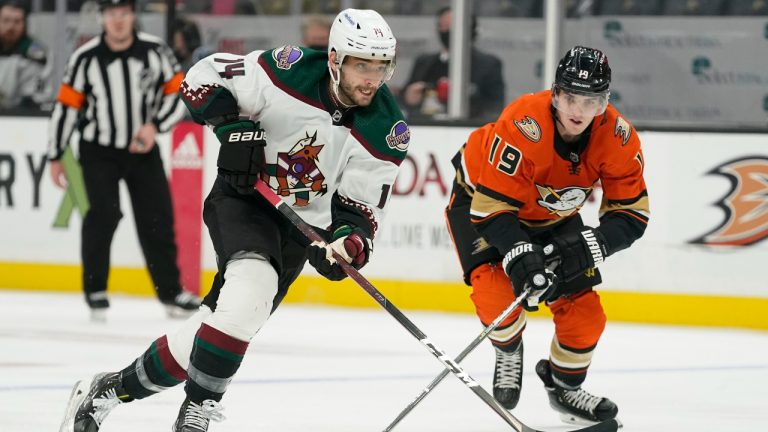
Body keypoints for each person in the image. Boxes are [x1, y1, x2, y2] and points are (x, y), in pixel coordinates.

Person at [59, 8, 408, 432]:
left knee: (211, 333)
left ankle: (108, 390)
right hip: (245, 200)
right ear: (335, 59)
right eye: (362, 65)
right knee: (252, 291)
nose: (372, 78)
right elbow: (201, 78)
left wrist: (347, 244)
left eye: (381, 67)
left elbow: (361, 207)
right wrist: (231, 125)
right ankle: (197, 412)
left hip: (300, 231)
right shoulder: (288, 71)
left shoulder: (387, 127)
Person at [445, 46, 649, 425]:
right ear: (556, 93)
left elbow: (631, 214)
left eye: (590, 102)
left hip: (552, 213)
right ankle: (508, 349)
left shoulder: (618, 138)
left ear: (604, 102)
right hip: (483, 200)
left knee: (586, 315)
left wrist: (593, 244)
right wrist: (520, 251)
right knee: (497, 295)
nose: (577, 110)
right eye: (570, 97)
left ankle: (564, 388)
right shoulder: (525, 122)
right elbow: (492, 211)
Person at [47, 0, 200, 322]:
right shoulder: (85, 58)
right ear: (102, 17)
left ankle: (171, 293)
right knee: (102, 215)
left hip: (142, 150)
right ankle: (95, 291)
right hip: (98, 150)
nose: (118, 20)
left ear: (132, 16)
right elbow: (66, 107)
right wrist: (56, 153)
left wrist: (155, 125)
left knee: (157, 219)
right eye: (111, 14)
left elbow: (178, 92)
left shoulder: (155, 51)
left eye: (124, 13)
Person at [400, 6, 504, 121]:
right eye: (443, 26)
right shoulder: (424, 63)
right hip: (427, 127)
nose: (446, 30)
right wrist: (408, 98)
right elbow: (402, 101)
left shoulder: (488, 64)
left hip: (468, 128)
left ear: (469, 28)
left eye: (451, 26)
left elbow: (494, 107)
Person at [0, 0, 49, 110]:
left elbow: (31, 100)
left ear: (25, 23)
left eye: (17, 21)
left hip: (17, 118)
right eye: (6, 20)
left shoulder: (34, 53)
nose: (11, 26)